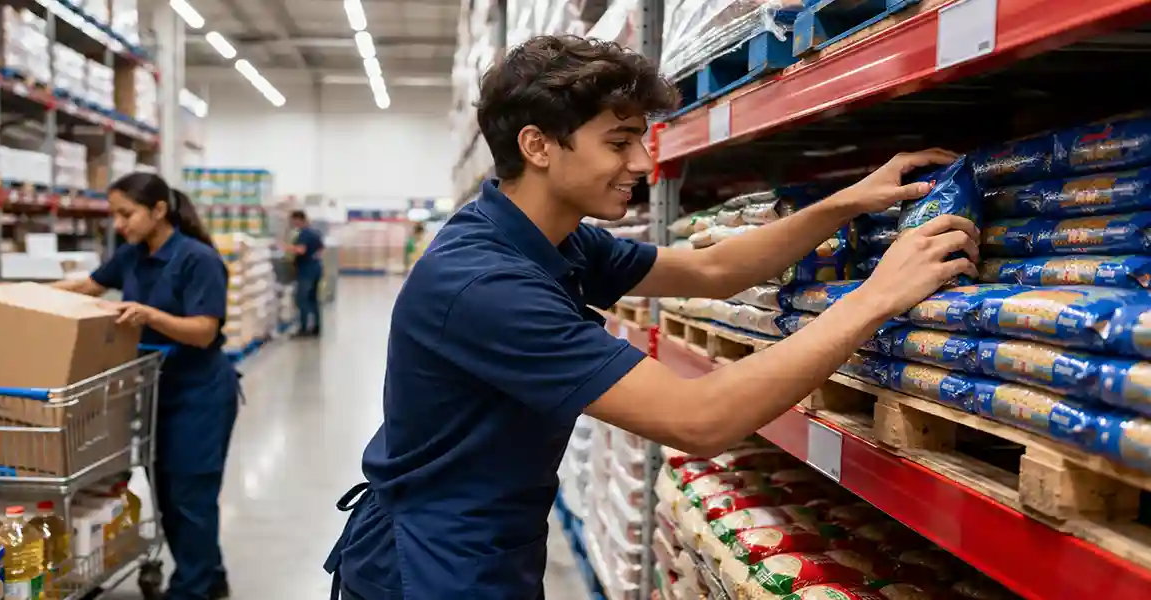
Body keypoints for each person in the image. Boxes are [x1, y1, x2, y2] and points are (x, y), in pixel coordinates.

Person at [324, 35, 979, 600]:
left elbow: (712, 270)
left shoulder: (554, 238)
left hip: (487, 545)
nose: (641, 162)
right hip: (430, 566)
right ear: (538, 145)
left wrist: (846, 203)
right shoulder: (486, 284)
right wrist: (878, 296)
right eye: (619, 141)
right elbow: (699, 419)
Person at [53, 172, 238, 600]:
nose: (119, 224)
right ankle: (211, 576)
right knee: (166, 493)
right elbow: (88, 285)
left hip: (199, 393)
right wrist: (19, 293)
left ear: (158, 210)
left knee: (190, 495)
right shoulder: (132, 254)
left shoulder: (198, 259)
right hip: (154, 390)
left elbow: (204, 331)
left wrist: (149, 315)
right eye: (114, 215)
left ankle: (191, 590)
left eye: (126, 214)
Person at [287, 210, 325, 336]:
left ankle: (303, 328)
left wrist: (285, 247)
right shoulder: (315, 232)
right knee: (313, 299)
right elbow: (321, 249)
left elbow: (301, 250)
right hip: (316, 268)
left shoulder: (304, 234)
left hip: (306, 271)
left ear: (298, 220)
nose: (292, 224)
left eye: (293, 221)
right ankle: (316, 328)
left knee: (302, 299)